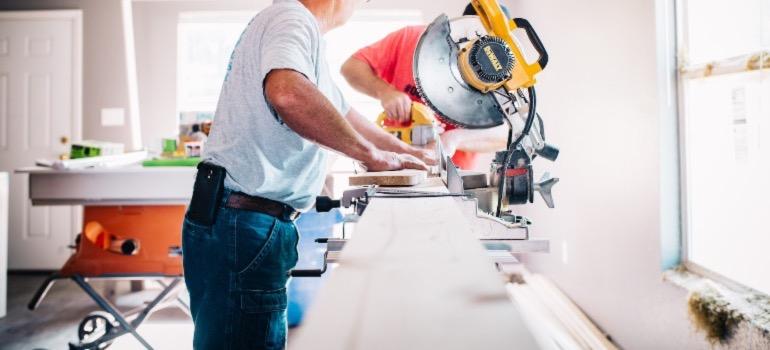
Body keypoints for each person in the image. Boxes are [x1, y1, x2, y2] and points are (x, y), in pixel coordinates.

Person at [181, 1, 435, 349]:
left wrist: (405, 153)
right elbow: (287, 93)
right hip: (244, 220)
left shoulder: (299, 33)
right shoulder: (292, 17)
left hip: (242, 217)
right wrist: (369, 156)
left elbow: (344, 113)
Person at [341, 3, 510, 170]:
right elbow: (351, 67)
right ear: (460, 26)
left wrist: (453, 139)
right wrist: (385, 92)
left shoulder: (498, 75)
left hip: (452, 174)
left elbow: (506, 133)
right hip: (393, 162)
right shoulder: (411, 38)